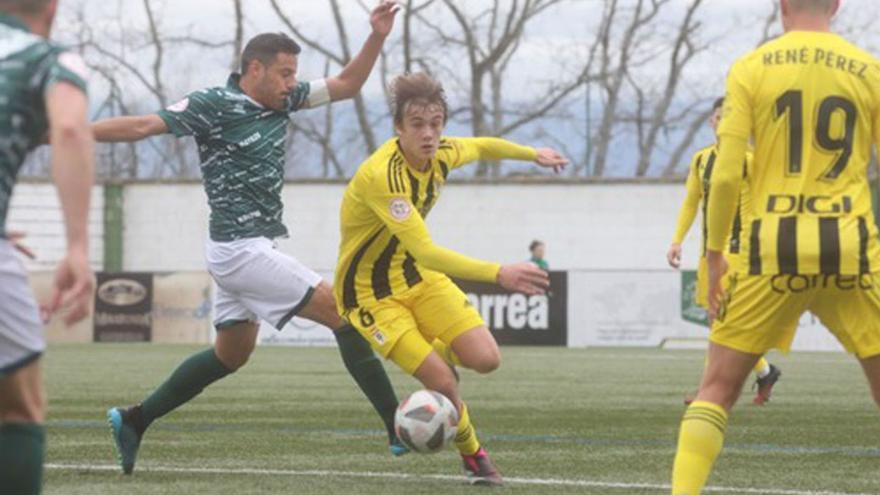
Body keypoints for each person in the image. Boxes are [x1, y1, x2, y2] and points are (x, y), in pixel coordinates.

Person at [91, 2, 406, 475]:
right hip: (241, 251)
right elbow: (141, 126)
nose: (290, 83)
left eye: (293, 74)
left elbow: (348, 85)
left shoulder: (287, 99)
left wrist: (377, 35)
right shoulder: (212, 105)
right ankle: (395, 424)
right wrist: (65, 132)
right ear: (253, 68)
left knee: (230, 355)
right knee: (344, 313)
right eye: (283, 73)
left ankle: (135, 419)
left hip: (246, 249)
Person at [671, 0, 880, 493]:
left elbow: (724, 174)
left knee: (716, 389)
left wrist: (715, 252)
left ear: (781, 5)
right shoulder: (869, 70)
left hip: (771, 250)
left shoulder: (751, 67)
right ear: (837, 5)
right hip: (850, 245)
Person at [334, 72, 567, 486]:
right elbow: (427, 250)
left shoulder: (442, 153)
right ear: (398, 128)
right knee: (442, 381)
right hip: (370, 297)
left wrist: (533, 154)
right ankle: (475, 456)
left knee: (487, 359)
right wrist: (499, 273)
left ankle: (432, 354)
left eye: (436, 123)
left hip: (415, 277)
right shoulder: (383, 176)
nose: (429, 134)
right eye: (418, 125)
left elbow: (481, 146)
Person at [0, 0, 96, 493]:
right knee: (20, 408)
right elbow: (71, 127)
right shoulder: (52, 59)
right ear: (54, 7)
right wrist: (78, 246)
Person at [667, 97, 781, 406]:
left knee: (722, 322)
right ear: (712, 121)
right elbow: (691, 201)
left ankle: (709, 391)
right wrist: (677, 240)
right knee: (721, 322)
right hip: (710, 254)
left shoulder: (751, 159)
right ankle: (766, 370)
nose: (724, 122)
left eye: (731, 116)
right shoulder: (701, 159)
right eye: (720, 116)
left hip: (740, 253)